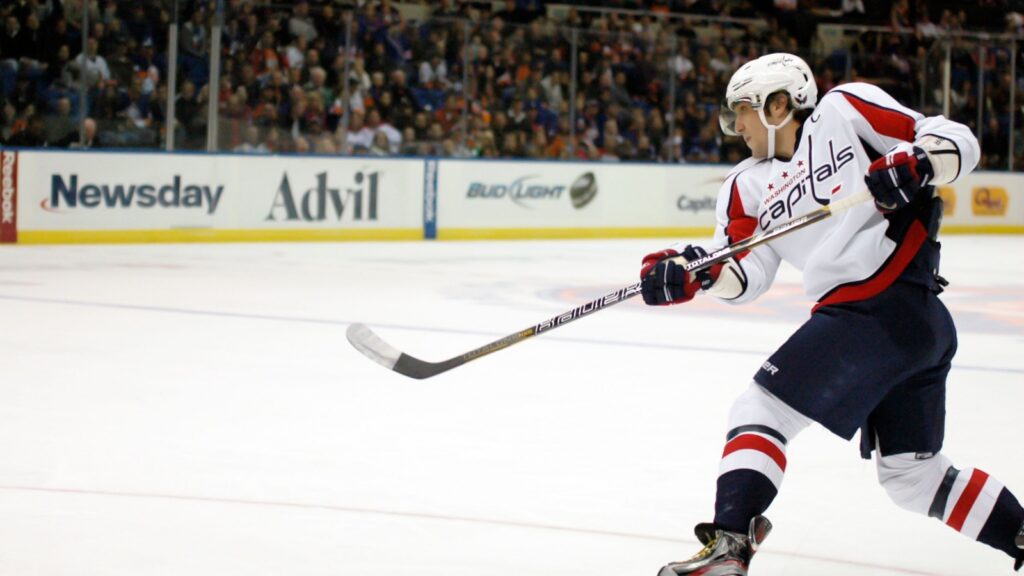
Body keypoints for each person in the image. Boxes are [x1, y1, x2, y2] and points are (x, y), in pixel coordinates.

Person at [639, 53, 1024, 575]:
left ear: (780, 104)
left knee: (762, 409)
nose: (738, 125)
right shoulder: (745, 185)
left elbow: (957, 140)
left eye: (744, 110)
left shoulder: (842, 111)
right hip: (900, 326)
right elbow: (747, 275)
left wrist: (923, 162)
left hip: (881, 308)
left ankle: (729, 547)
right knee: (913, 478)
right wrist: (699, 272)